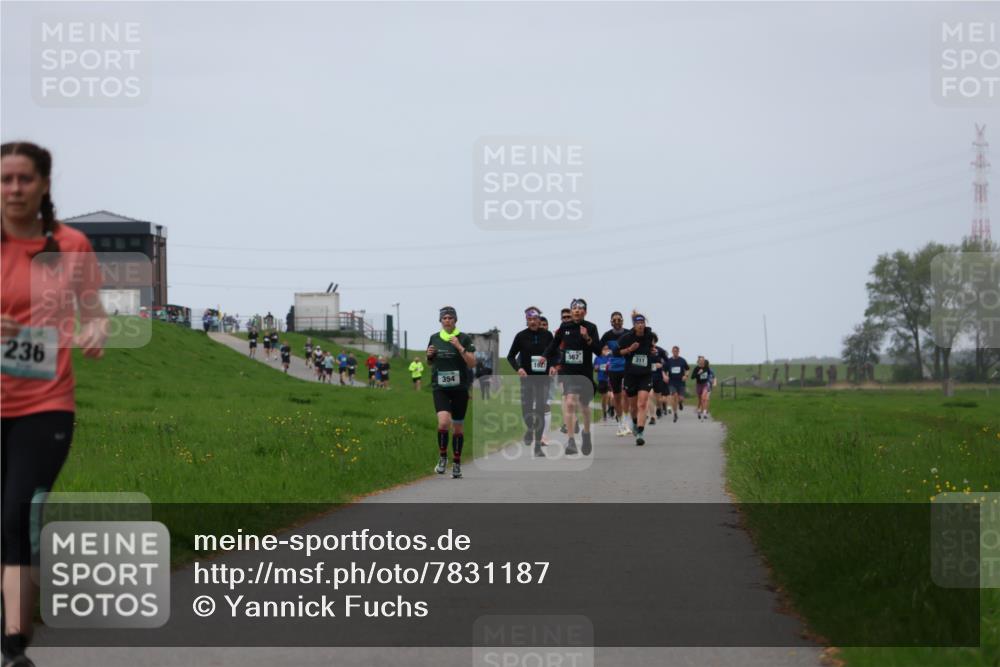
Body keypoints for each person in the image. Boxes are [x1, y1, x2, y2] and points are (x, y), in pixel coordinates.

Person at [2, 141, 108, 667]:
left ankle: (12, 644)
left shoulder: (71, 246)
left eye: (25, 179)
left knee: (15, 516)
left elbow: (94, 311)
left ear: (43, 184)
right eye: (5, 179)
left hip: (44, 405)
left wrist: (93, 328)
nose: (15, 188)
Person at [544, 299, 601, 456]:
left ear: (585, 312)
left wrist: (587, 338)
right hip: (569, 373)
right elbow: (554, 344)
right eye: (574, 308)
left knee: (584, 407)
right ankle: (570, 441)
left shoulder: (591, 327)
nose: (577, 310)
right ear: (571, 312)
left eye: (580, 308)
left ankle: (587, 434)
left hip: (585, 374)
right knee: (569, 403)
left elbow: (599, 350)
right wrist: (544, 357)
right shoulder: (565, 327)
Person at [427, 306, 477, 478]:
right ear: (440, 320)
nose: (447, 320)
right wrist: (429, 355)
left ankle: (456, 463)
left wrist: (459, 347)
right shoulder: (434, 337)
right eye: (444, 318)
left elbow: (472, 363)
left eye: (450, 318)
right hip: (440, 387)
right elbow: (430, 363)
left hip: (460, 389)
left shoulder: (463, 338)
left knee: (457, 428)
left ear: (455, 320)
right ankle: (442, 458)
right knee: (443, 423)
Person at [506, 306, 553, 457]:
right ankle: (530, 428)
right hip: (527, 378)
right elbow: (511, 356)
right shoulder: (521, 336)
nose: (532, 322)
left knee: (540, 409)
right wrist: (518, 369)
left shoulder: (547, 336)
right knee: (526, 410)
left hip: (543, 379)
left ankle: (538, 446)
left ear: (539, 320)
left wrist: (553, 366)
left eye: (535, 319)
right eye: (530, 319)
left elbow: (556, 354)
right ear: (526, 320)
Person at [612, 312, 656, 446]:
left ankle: (641, 433)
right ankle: (635, 423)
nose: (641, 325)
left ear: (645, 324)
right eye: (638, 323)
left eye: (642, 323)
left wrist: (652, 350)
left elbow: (652, 347)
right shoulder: (627, 337)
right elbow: (616, 352)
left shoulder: (650, 335)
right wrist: (630, 349)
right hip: (631, 375)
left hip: (645, 374)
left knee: (642, 403)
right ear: (634, 325)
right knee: (633, 406)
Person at [599, 312, 630, 436]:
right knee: (616, 397)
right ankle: (620, 424)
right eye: (614, 320)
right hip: (613, 368)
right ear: (611, 322)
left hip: (627, 367)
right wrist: (605, 353)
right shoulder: (607, 335)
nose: (617, 322)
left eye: (619, 320)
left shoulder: (628, 333)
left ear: (622, 321)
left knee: (626, 394)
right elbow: (598, 348)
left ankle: (627, 423)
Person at [664, 346, 690, 422]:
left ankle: (680, 402)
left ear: (678, 352)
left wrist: (686, 375)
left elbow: (687, 369)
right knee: (674, 395)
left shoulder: (682, 360)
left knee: (680, 398)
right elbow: (664, 370)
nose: (675, 352)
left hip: (681, 382)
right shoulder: (668, 361)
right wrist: (665, 376)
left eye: (676, 351)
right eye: (674, 351)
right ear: (672, 351)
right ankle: (675, 413)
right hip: (672, 382)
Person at [593, 351, 611, 420]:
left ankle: (610, 407)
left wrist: (609, 367)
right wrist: (597, 368)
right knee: (604, 397)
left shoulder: (610, 357)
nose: (606, 350)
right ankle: (604, 412)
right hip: (602, 379)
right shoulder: (597, 358)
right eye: (604, 349)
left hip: (611, 379)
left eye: (607, 348)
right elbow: (595, 369)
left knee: (610, 395)